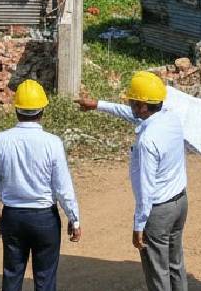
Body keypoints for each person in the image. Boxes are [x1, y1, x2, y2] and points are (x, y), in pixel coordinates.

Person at [76, 73, 188, 291]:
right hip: (180, 203)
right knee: (175, 264)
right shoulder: (170, 117)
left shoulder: (147, 141)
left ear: (143, 106)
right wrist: (98, 105)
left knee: (158, 272)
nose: (128, 103)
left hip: (158, 211)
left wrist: (139, 225)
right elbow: (131, 115)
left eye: (132, 101)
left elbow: (146, 189)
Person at [0, 79, 82, 291]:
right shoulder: (52, 142)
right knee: (45, 279)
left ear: (16, 109)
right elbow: (62, 187)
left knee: (11, 275)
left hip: (13, 218)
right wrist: (74, 219)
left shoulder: (0, 140)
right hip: (45, 219)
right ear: (42, 110)